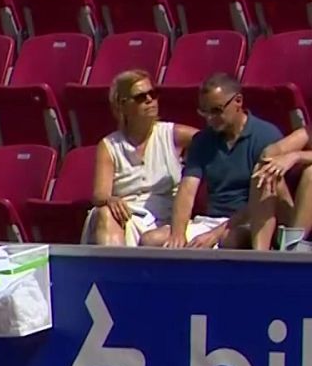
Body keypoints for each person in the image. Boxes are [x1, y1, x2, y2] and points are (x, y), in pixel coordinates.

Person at [84, 69, 209, 247]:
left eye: (153, 94)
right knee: (104, 212)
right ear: (123, 105)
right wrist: (110, 199)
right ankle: (116, 264)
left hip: (163, 220)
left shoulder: (171, 134)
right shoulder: (109, 145)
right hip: (124, 216)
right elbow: (100, 194)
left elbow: (212, 141)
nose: (150, 100)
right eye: (141, 97)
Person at [169, 73, 284, 249]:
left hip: (249, 221)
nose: (209, 118)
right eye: (204, 112)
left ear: (238, 101)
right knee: (153, 239)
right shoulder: (203, 140)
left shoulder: (266, 136)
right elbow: (187, 190)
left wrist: (215, 234)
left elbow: (263, 200)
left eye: (216, 110)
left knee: (231, 240)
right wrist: (177, 234)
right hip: (210, 221)